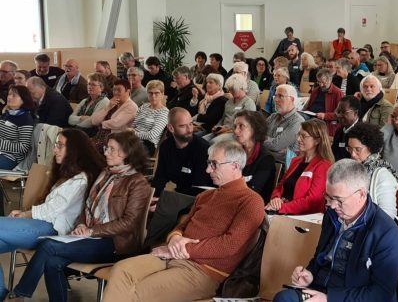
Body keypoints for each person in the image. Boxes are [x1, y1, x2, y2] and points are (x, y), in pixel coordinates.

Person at [103, 140, 265, 301]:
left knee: (138, 292)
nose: (208, 170)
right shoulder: (205, 196)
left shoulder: (251, 201)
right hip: (174, 256)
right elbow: (181, 226)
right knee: (121, 270)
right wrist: (175, 239)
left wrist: (185, 248)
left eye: (214, 164)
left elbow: (229, 245)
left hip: (204, 271)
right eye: (209, 163)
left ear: (235, 166)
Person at [6, 131, 151, 301]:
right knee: (53, 263)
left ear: (127, 153)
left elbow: (129, 223)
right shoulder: (105, 174)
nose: (105, 152)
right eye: (106, 148)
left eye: (112, 149)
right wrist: (82, 224)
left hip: (115, 244)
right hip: (92, 237)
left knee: (48, 246)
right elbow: (88, 206)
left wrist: (92, 231)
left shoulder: (137, 182)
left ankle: (19, 294)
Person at [274, 160, 398, 302]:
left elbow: (381, 293)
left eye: (338, 200)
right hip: (322, 289)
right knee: (284, 298)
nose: (333, 205)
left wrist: (329, 298)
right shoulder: (332, 215)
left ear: (361, 194)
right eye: (328, 197)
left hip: (352, 297)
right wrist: (310, 274)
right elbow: (320, 257)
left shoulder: (387, 232)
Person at [0, 129, 104, 299]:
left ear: (74, 150)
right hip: (42, 225)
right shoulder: (68, 175)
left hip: (52, 229)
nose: (55, 149)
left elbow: (50, 211)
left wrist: (25, 214)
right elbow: (48, 207)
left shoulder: (81, 179)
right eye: (56, 145)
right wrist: (25, 213)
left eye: (60, 146)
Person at [145, 108, 212, 247]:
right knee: (146, 202)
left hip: (201, 196)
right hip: (179, 194)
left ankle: (149, 247)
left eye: (191, 124)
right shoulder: (166, 147)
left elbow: (199, 186)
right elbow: (160, 177)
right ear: (171, 128)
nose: (189, 129)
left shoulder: (203, 148)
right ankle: (140, 242)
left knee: (165, 205)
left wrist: (163, 201)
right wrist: (153, 197)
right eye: (183, 126)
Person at [266, 120, 333, 215]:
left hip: (302, 218)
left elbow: (311, 201)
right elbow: (280, 186)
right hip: (282, 210)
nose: (298, 139)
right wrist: (275, 198)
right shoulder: (296, 161)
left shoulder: (324, 166)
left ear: (317, 140)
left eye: (304, 136)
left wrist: (282, 208)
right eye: (299, 135)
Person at [345, 122, 398, 217]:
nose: (352, 154)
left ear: (370, 148)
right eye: (349, 149)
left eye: (357, 149)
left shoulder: (383, 175)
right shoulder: (352, 169)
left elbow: (388, 214)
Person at [232, 110, 276, 201]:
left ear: (254, 129)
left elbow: (254, 190)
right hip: (233, 198)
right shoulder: (235, 153)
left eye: (241, 126)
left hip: (252, 204)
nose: (236, 131)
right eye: (235, 126)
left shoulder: (266, 159)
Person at [203, 74, 257, 143]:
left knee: (213, 142)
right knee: (203, 140)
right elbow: (223, 118)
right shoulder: (228, 102)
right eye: (230, 89)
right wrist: (217, 126)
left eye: (233, 89)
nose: (230, 91)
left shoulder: (248, 103)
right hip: (222, 130)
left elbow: (247, 126)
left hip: (236, 133)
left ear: (241, 87)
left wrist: (227, 129)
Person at [90, 79, 139, 153]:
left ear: (128, 91)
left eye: (119, 90)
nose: (115, 93)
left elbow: (116, 123)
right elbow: (94, 121)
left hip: (117, 140)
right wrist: (108, 107)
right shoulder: (112, 103)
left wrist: (101, 123)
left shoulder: (131, 106)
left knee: (89, 150)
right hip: (101, 136)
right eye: (114, 90)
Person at [265, 84, 305, 164]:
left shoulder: (298, 121)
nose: (276, 100)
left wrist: (264, 140)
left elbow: (276, 146)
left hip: (283, 165)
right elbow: (256, 136)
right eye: (275, 96)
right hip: (266, 159)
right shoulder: (273, 116)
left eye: (280, 96)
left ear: (292, 99)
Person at [130, 80, 169, 156]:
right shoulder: (144, 106)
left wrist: (134, 133)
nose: (153, 96)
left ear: (162, 94)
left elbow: (152, 134)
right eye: (150, 93)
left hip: (148, 144)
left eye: (156, 93)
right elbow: (134, 124)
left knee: (122, 149)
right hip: (134, 139)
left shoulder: (164, 112)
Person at [0, 86, 35, 170]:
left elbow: (23, 147)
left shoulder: (25, 118)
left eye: (14, 95)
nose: (9, 97)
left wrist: (1, 144)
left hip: (12, 157)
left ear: (23, 99)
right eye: (9, 94)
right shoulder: (7, 114)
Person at [304, 68, 345, 136]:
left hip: (326, 121)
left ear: (330, 80)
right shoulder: (316, 91)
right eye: (319, 82)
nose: (321, 85)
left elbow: (341, 114)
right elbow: (309, 107)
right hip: (311, 116)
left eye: (323, 82)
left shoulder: (338, 93)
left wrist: (325, 115)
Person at [332, 96, 360, 161]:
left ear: (355, 113)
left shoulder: (362, 133)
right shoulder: (339, 131)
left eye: (343, 112)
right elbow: (333, 152)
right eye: (338, 111)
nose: (339, 115)